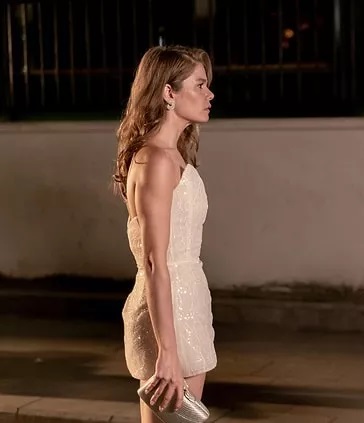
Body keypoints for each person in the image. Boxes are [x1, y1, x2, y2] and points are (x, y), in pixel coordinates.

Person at [113, 45, 216, 423]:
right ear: (169, 93)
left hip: (187, 302)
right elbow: (156, 261)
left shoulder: (171, 154)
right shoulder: (155, 159)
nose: (210, 94)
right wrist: (167, 352)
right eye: (200, 85)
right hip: (168, 314)